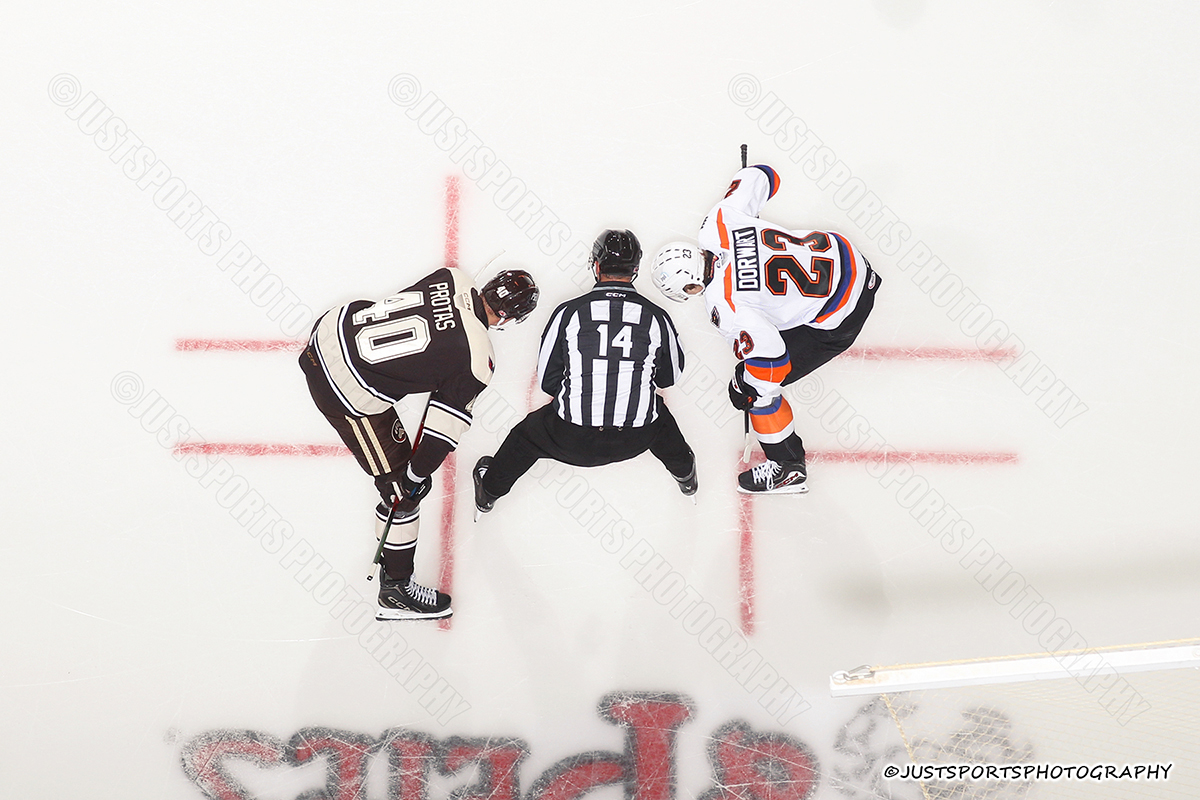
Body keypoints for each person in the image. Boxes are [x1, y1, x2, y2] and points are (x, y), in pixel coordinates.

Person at [299, 265, 539, 619]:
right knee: (400, 492)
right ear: (509, 318)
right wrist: (414, 477)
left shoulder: (452, 277)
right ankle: (395, 590)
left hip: (329, 330)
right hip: (338, 383)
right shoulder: (478, 359)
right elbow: (440, 431)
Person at [650, 164, 881, 495]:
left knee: (760, 392)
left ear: (690, 287)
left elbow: (773, 362)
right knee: (760, 350)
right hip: (847, 256)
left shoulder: (728, 308)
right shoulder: (718, 223)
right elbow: (765, 175)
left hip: (844, 312)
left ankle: (788, 468)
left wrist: (744, 384)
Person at [472, 230, 697, 517]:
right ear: (636, 270)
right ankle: (686, 476)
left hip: (571, 438)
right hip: (637, 439)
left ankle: (488, 493)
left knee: (524, 438)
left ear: (597, 265)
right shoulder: (656, 316)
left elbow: (548, 382)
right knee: (660, 421)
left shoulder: (568, 313)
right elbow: (669, 377)